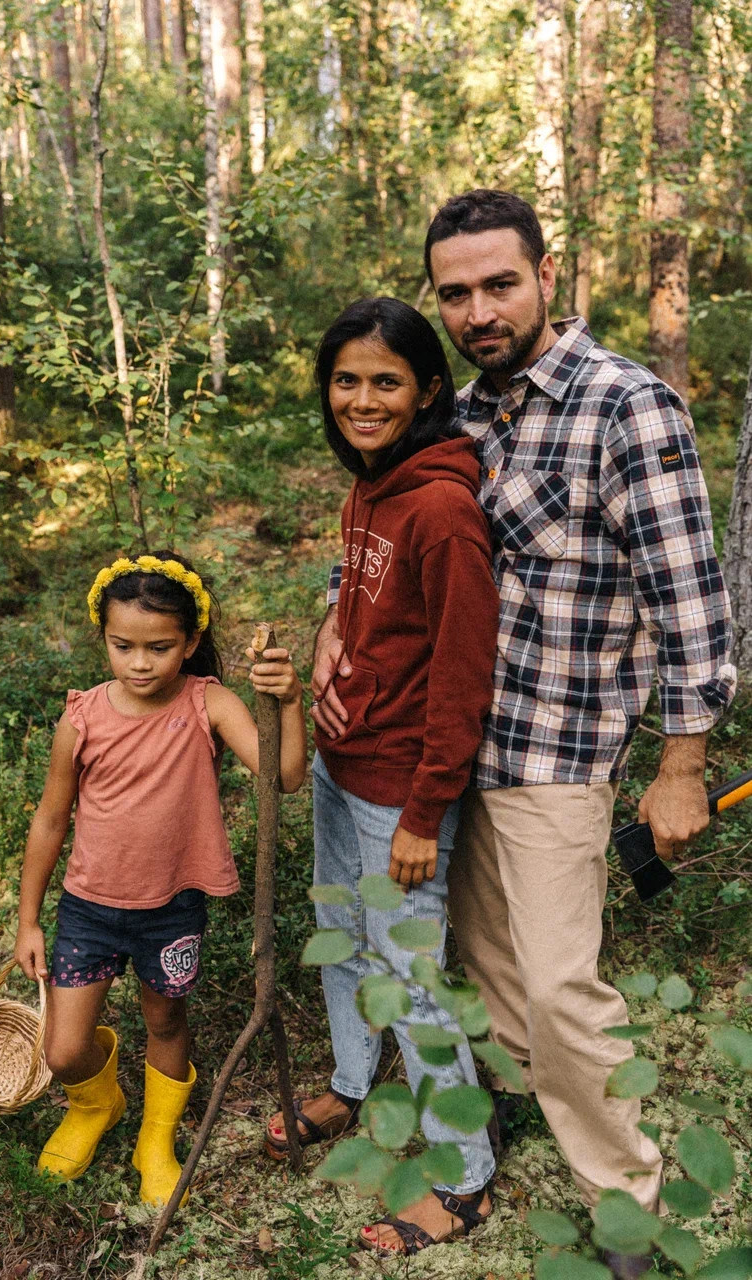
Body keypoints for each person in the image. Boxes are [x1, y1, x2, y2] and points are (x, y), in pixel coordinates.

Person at [311, 193, 736, 1275]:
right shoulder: (457, 413)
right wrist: (330, 627)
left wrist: (682, 763)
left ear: (548, 274)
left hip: (556, 751)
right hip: (447, 749)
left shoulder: (624, 406)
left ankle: (625, 1207)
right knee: (488, 969)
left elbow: (688, 597)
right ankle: (499, 1111)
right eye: (455, 292)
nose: (478, 310)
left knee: (557, 985)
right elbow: (386, 541)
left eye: (499, 284)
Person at [265, 298, 500, 1256]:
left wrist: (422, 812)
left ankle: (464, 1178)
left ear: (428, 390)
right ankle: (355, 1084)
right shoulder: (371, 484)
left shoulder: (441, 509)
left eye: (386, 383)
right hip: (341, 760)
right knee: (341, 934)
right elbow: (368, 609)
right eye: (346, 381)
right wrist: (331, 642)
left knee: (412, 974)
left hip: (399, 786)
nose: (361, 400)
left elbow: (462, 675)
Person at [15, 552, 306, 1208]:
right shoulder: (82, 718)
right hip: (88, 908)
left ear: (191, 642)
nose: (140, 664)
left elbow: (285, 776)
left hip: (172, 908)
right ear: (104, 637)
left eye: (159, 648)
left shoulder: (208, 704)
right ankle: (97, 1104)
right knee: (63, 1051)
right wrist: (28, 920)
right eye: (123, 646)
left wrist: (290, 702)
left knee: (166, 1019)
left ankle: (156, 1135)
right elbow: (50, 819)